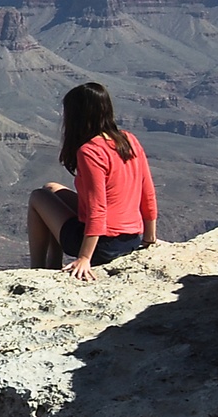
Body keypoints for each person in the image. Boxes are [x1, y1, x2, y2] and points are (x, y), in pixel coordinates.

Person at [27, 82, 158, 282]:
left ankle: (36, 269)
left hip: (103, 246)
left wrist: (84, 258)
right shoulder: (129, 140)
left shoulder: (90, 151)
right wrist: (149, 238)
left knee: (38, 197)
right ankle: (52, 264)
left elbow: (98, 209)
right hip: (131, 239)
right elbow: (147, 192)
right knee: (51, 188)